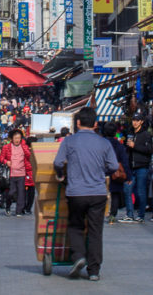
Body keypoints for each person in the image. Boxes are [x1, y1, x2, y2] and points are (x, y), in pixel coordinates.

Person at [53, 107, 119, 282]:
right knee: (96, 231)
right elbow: (113, 166)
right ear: (96, 124)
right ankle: (94, 270)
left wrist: (60, 175)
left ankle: (79, 257)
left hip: (76, 192)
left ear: (78, 123)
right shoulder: (104, 143)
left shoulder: (69, 142)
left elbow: (58, 162)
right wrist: (101, 171)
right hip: (98, 193)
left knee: (75, 226)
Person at [123, 110, 153, 223]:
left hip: (142, 167)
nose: (134, 122)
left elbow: (149, 150)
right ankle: (130, 214)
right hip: (131, 166)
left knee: (141, 191)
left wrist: (134, 146)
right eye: (133, 120)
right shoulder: (130, 133)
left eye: (137, 120)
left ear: (141, 121)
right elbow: (126, 149)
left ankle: (141, 215)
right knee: (127, 189)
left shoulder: (146, 135)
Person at [0, 129, 31, 216]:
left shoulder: (24, 147)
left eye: (19, 138)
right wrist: (6, 162)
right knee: (11, 192)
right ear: (12, 138)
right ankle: (8, 206)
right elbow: (1, 158)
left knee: (21, 193)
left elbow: (29, 157)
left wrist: (26, 149)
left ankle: (18, 211)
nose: (17, 140)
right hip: (11, 174)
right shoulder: (6, 147)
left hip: (22, 173)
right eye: (15, 138)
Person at [103, 123, 130, 224]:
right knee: (115, 194)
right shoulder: (119, 145)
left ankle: (102, 212)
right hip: (116, 172)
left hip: (102, 171)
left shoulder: (101, 143)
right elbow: (124, 160)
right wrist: (128, 175)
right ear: (115, 132)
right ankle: (112, 215)